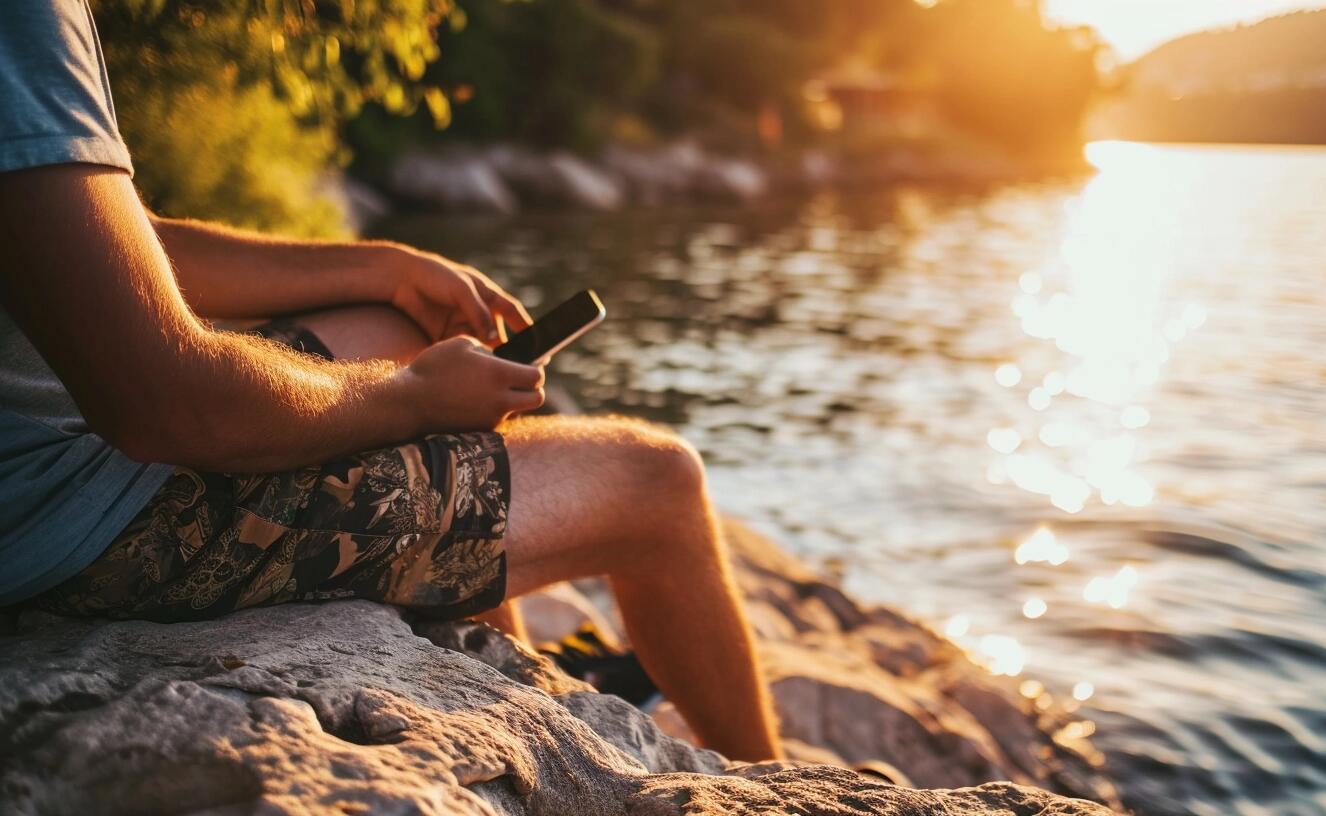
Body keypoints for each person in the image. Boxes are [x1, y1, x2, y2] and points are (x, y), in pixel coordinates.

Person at [0, 0, 781, 762]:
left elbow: (115, 237)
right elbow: (166, 406)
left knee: (393, 324)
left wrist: (379, 264)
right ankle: (769, 784)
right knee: (657, 481)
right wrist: (410, 398)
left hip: (42, 473)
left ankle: (512, 678)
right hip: (64, 524)